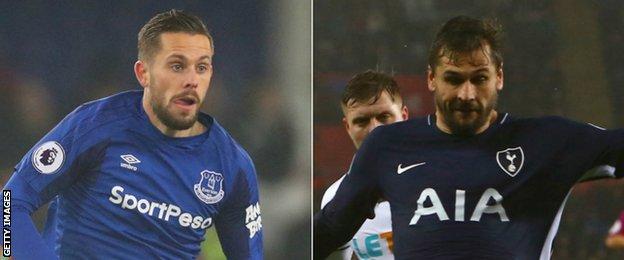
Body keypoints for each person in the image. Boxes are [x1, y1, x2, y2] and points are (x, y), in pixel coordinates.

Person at [314, 15, 624, 259]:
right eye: (453, 79)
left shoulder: (549, 142)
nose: (467, 94)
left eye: (479, 78)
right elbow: (328, 230)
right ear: (432, 78)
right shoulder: (388, 147)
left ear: (498, 77)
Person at [4, 9, 262, 259]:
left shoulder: (233, 166)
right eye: (176, 66)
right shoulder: (94, 126)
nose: (191, 80)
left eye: (202, 68)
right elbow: (8, 204)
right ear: (143, 73)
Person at [320, 70, 408, 259]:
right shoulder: (335, 198)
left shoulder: (440, 180)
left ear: (404, 116)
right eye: (362, 121)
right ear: (348, 127)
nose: (374, 129)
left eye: (384, 117)